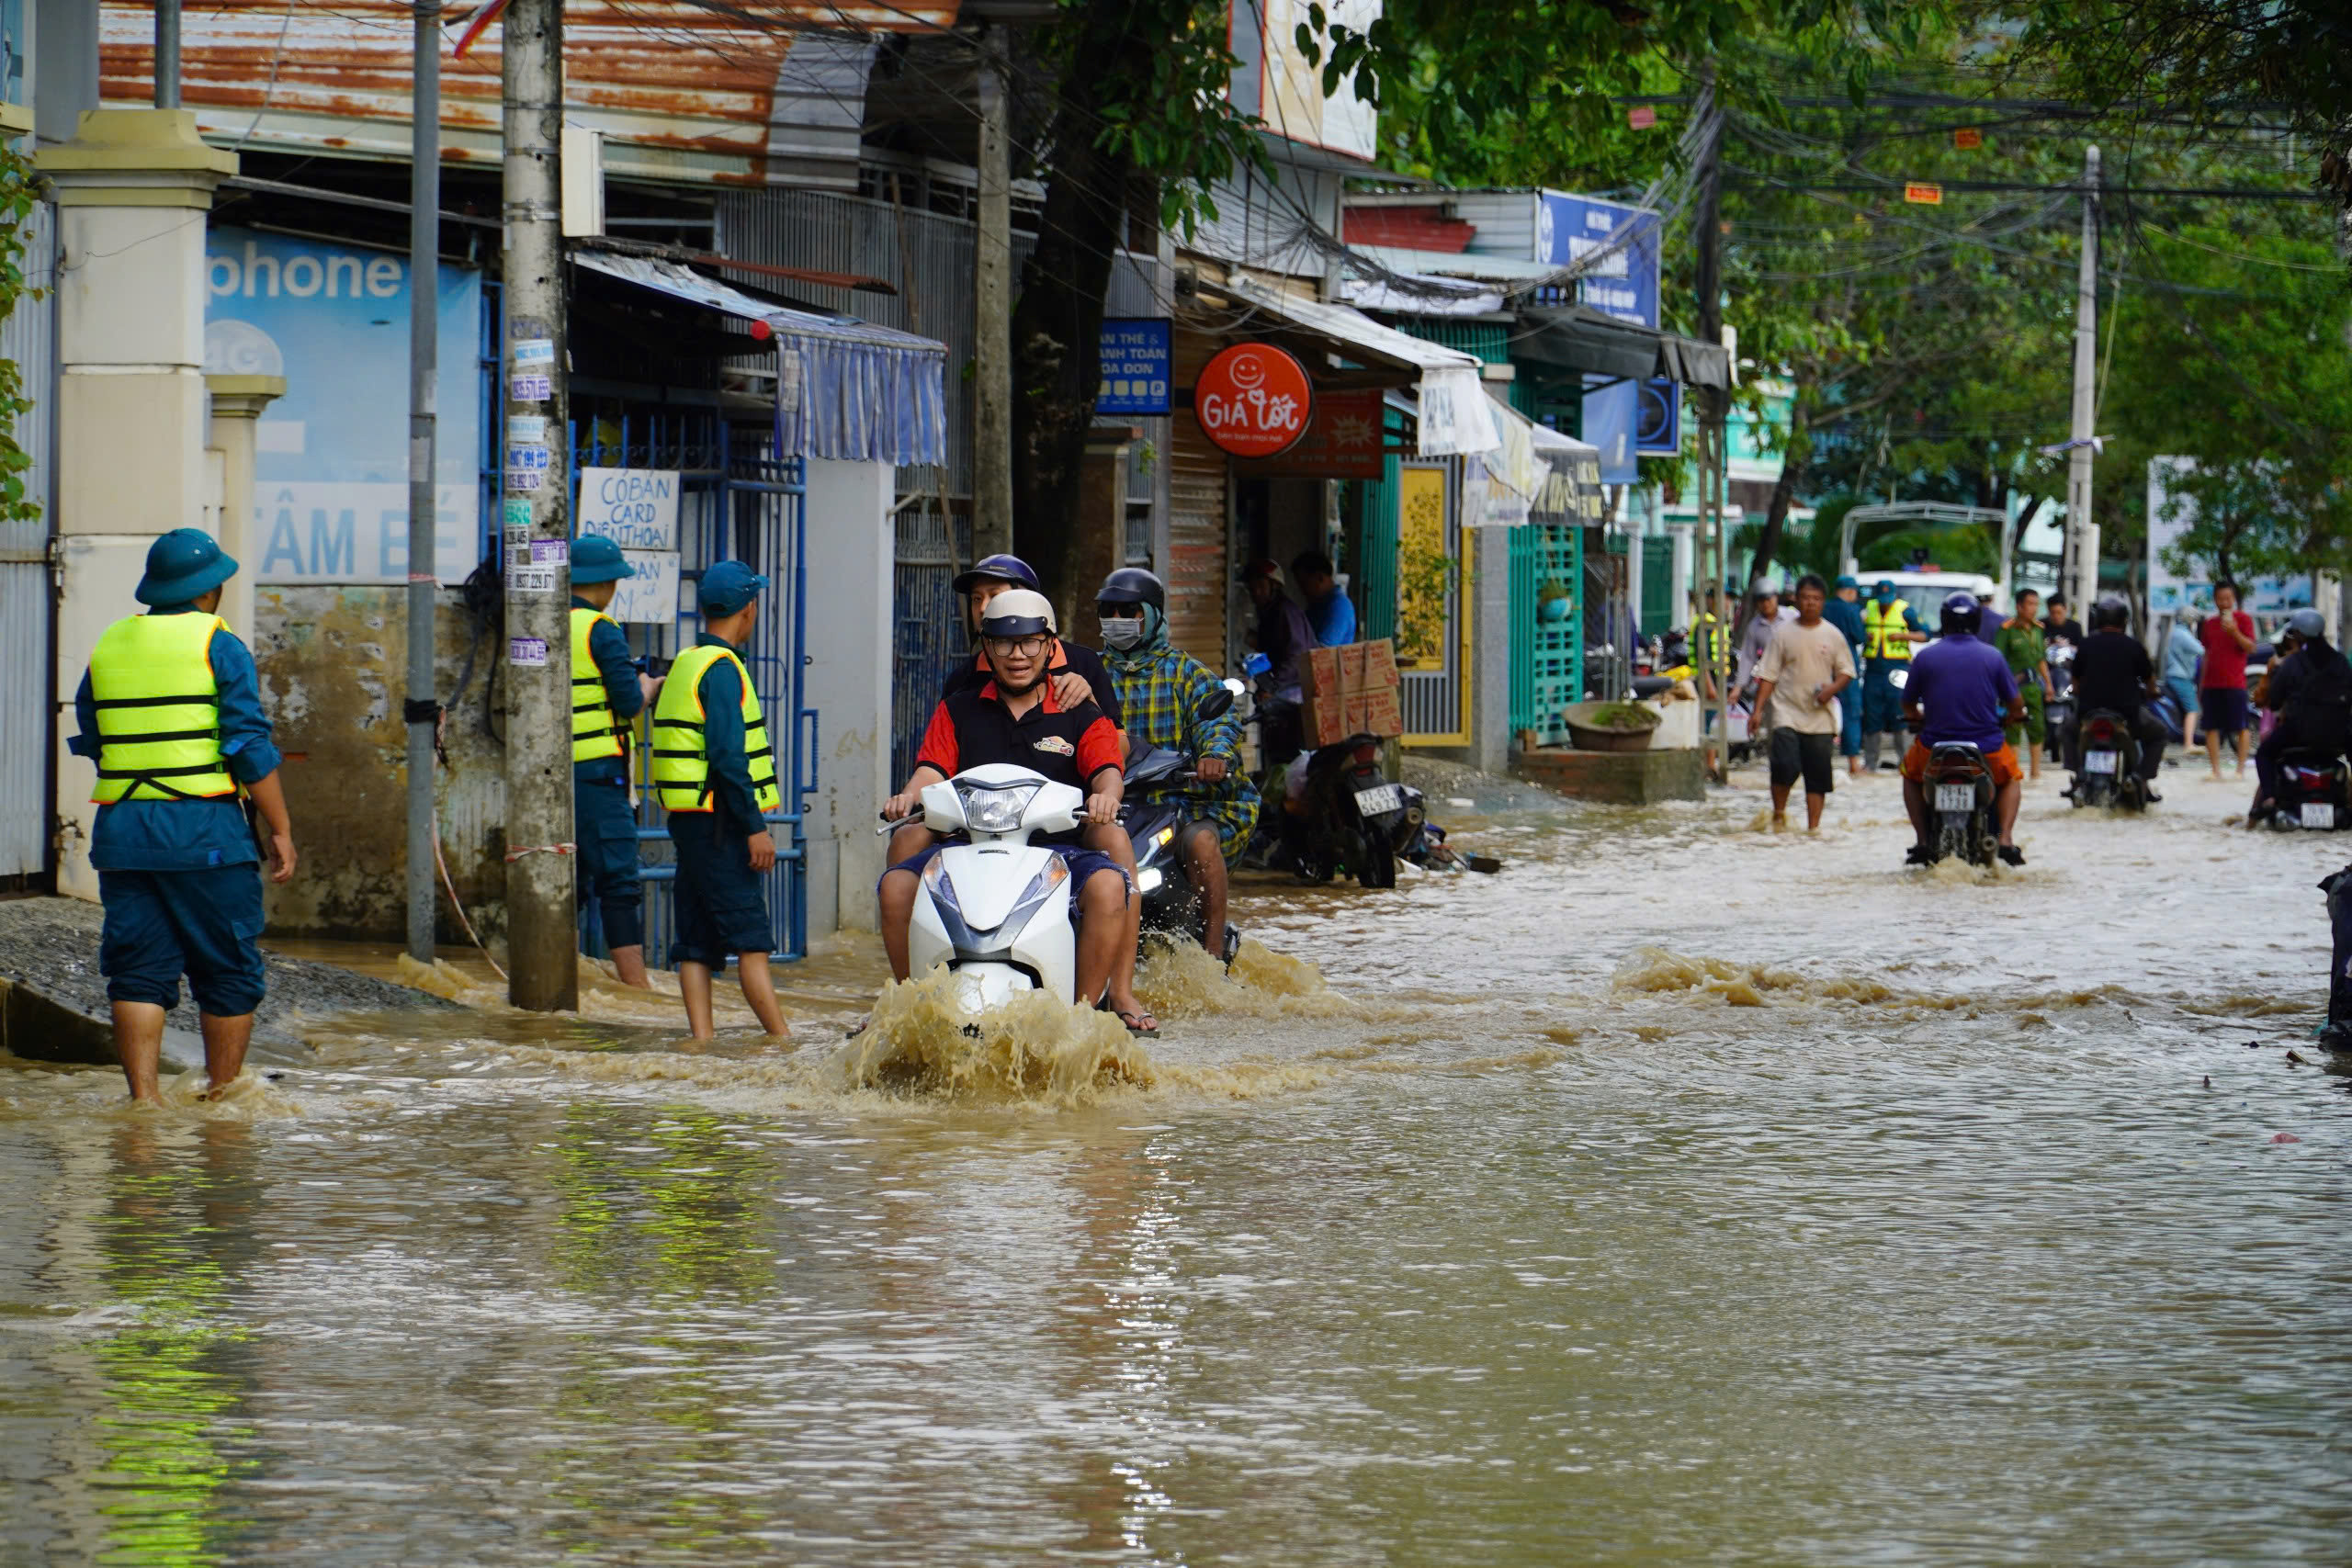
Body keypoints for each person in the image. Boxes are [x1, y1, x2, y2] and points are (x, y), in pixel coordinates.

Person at [69, 527, 297, 1103]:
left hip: (122, 829)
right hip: (205, 831)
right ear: (210, 588)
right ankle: (222, 1103)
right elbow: (248, 746)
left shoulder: (110, 644)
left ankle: (143, 1108)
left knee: (138, 971)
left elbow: (95, 737)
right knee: (227, 969)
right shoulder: (218, 644)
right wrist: (281, 829)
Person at [904, 551, 1149, 1030]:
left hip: (1061, 831)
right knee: (901, 859)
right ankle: (898, 1006)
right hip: (977, 831)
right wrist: (910, 796)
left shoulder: (1081, 678)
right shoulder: (961, 695)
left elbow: (1107, 755)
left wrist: (1105, 791)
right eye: (1002, 641)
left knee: (1113, 861)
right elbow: (934, 765)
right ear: (987, 646)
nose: (1018, 655)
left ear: (1047, 643)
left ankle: (1108, 997)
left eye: (1029, 644)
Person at [648, 561, 792, 1042]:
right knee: (752, 941)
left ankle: (702, 1045)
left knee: (695, 943)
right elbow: (729, 758)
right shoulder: (724, 670)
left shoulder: (685, 662)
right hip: (722, 823)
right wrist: (755, 827)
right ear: (748, 610)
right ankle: (782, 1042)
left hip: (688, 823)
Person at [1097, 568, 1258, 956]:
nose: (1117, 620)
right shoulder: (1090, 673)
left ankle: (1212, 955)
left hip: (1182, 803)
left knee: (1202, 844)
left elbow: (1218, 721)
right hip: (1108, 804)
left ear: (1150, 616)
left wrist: (1214, 756)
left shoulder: (1188, 674)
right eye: (1109, 610)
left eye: (1129, 611)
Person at [570, 535, 657, 987]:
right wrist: (648, 685)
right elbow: (627, 703)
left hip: (552, 776)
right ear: (605, 584)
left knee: (569, 880)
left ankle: (556, 976)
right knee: (619, 882)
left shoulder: (542, 624)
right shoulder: (601, 630)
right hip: (601, 773)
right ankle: (637, 991)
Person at [1899, 592, 2029, 865]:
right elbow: (2016, 703)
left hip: (1934, 748)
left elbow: (1908, 704)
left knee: (1910, 776)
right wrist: (2012, 717)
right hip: (1987, 748)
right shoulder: (1992, 657)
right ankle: (2005, 838)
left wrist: (1918, 717)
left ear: (1944, 621)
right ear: (1977, 621)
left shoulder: (1925, 657)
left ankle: (1922, 840)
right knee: (2011, 778)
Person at [1752, 574, 1856, 831]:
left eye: (1816, 599)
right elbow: (1768, 674)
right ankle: (1779, 816)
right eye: (1806, 598)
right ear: (1796, 600)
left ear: (1823, 602)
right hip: (1785, 711)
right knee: (1785, 765)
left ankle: (1813, 829)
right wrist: (1756, 712)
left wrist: (1831, 689)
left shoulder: (1832, 635)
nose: (1810, 603)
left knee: (1818, 776)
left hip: (1820, 715)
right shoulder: (1782, 634)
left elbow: (1847, 672)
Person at [2250, 607, 2352, 826]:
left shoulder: (2293, 664)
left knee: (2264, 754)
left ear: (2299, 634)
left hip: (2299, 733)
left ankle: (2269, 798)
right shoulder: (2341, 662)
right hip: (2339, 735)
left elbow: (2275, 699)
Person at [2065, 594, 2168, 799]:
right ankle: (2141, 778)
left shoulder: (2085, 645)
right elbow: (2150, 681)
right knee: (2159, 733)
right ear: (2124, 621)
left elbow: (2075, 683)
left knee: (2066, 730)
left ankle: (2078, 776)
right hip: (2127, 717)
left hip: (2088, 716)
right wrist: (2153, 692)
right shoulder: (2134, 646)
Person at [1245, 558, 1314, 769]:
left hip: (1293, 691)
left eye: (1260, 586)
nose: (1255, 592)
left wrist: (1274, 687)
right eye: (1252, 587)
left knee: (1287, 751)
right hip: (1280, 688)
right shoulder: (1270, 613)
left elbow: (1296, 655)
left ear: (1274, 586)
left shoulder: (1285, 612)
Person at [1860, 579, 1927, 771]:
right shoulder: (1867, 609)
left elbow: (1925, 635)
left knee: (1900, 714)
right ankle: (1870, 763)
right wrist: (1867, 637)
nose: (1884, 603)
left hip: (1898, 669)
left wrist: (1903, 636)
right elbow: (1857, 632)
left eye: (1888, 599)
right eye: (1881, 599)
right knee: (1872, 715)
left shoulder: (1906, 611)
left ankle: (1905, 762)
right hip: (1873, 670)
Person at [1991, 588, 2053, 783]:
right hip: (2013, 689)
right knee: (2013, 730)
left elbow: (2041, 659)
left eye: (2036, 604)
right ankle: (2013, 774)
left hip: (2034, 688)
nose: (2034, 609)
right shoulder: (2007, 630)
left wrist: (2049, 684)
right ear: (2019, 606)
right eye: (2030, 604)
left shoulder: (2038, 629)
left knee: (2037, 729)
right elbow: (1997, 659)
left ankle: (2035, 775)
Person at [2199, 581, 2257, 780]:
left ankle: (2240, 771)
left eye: (2228, 599)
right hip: (2211, 684)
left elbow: (2251, 648)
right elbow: (2207, 654)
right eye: (2220, 599)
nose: (2224, 603)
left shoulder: (2244, 619)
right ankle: (2215, 770)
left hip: (2235, 683)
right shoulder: (2209, 624)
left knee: (2241, 726)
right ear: (2215, 600)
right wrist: (2201, 684)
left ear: (2234, 600)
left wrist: (2234, 631)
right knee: (2210, 727)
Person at [1291, 549, 1357, 648]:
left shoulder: (1339, 606)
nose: (1302, 590)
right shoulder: (1317, 604)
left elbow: (1321, 652)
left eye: (1304, 583)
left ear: (1320, 578)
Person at [2163, 611, 2203, 750]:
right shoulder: (2183, 634)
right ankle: (2189, 743)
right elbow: (2200, 649)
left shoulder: (2177, 632)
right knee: (2193, 709)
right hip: (2180, 677)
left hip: (2176, 675)